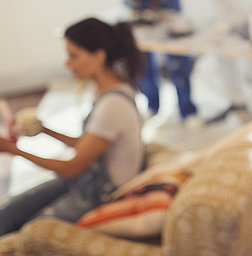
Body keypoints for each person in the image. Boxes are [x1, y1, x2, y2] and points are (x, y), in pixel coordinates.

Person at [0, 18, 145, 236]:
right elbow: (87, 144)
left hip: (98, 193)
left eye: (73, 55)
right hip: (86, 180)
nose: (67, 63)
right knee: (7, 212)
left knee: (29, 232)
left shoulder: (112, 106)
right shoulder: (112, 90)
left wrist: (13, 150)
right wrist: (45, 130)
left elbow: (72, 167)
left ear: (99, 56)